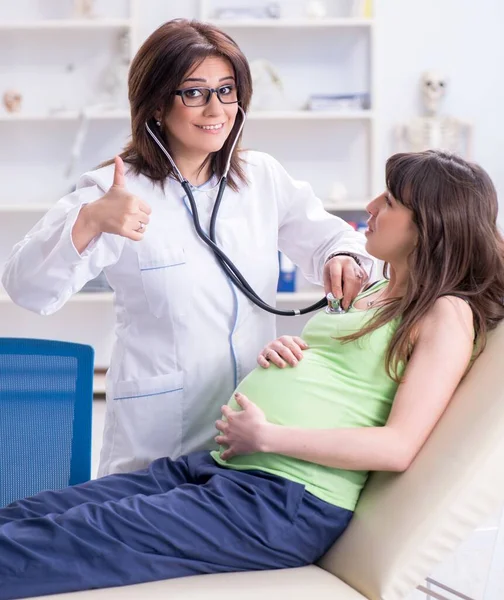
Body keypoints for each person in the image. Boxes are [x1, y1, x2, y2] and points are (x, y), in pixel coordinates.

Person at [1, 149, 504, 600]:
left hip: (281, 502)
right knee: (33, 514)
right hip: (224, 470)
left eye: (390, 200)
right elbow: (354, 374)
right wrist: (298, 351)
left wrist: (269, 434)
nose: (369, 207)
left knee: (65, 539)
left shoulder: (446, 315)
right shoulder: (377, 293)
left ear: (431, 224)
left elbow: (397, 447)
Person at [1, 19, 373, 477]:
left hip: (252, 430)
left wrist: (341, 256)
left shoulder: (261, 177)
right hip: (159, 438)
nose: (216, 108)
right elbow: (26, 288)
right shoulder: (114, 190)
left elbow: (338, 239)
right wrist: (91, 220)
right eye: (194, 92)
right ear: (157, 104)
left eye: (227, 89)